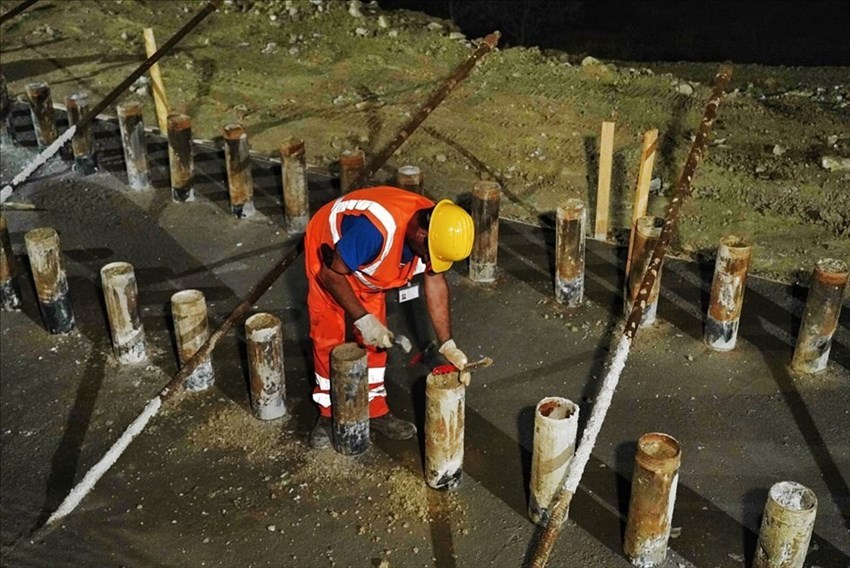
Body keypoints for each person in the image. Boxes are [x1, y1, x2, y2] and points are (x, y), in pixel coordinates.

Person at [304, 186, 474, 449]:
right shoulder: (373, 231)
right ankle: (328, 412)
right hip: (331, 256)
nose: (430, 260)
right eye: (430, 254)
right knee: (330, 329)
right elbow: (332, 275)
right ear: (421, 233)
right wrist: (362, 318)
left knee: (375, 340)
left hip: (370, 272)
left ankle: (375, 406)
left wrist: (447, 344)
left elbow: (435, 282)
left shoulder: (439, 228)